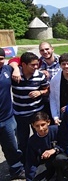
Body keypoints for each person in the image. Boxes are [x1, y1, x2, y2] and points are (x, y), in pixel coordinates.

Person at [10, 52, 49, 164]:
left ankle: (41, 158)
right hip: (19, 113)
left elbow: (47, 89)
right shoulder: (15, 74)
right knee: (23, 140)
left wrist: (40, 92)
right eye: (33, 65)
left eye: (37, 64)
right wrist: (16, 69)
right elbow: (12, 60)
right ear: (24, 64)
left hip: (36, 113)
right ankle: (25, 160)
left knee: (39, 135)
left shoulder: (40, 75)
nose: (36, 67)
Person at [0, 48, 25, 179]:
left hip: (6, 118)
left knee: (11, 147)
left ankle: (16, 170)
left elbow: (18, 59)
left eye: (1, 58)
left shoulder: (6, 70)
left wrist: (15, 68)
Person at [25, 111, 66, 181]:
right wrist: (30, 178)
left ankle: (64, 174)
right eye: (37, 126)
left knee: (60, 158)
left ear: (48, 122)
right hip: (46, 163)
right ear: (33, 126)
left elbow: (67, 144)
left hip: (60, 157)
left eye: (43, 124)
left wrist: (55, 149)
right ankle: (52, 173)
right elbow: (30, 161)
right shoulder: (32, 141)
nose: (41, 128)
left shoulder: (56, 130)